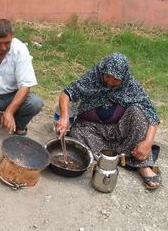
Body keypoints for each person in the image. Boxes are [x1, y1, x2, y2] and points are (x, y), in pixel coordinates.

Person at [56, 52, 161, 190]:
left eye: (116, 79)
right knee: (77, 134)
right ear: (102, 71)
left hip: (118, 129)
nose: (110, 82)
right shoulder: (93, 77)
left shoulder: (131, 86)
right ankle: (110, 159)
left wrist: (148, 143)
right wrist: (64, 117)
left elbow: (152, 114)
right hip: (91, 128)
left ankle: (142, 165)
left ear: (124, 77)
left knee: (138, 114)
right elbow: (67, 93)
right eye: (107, 77)